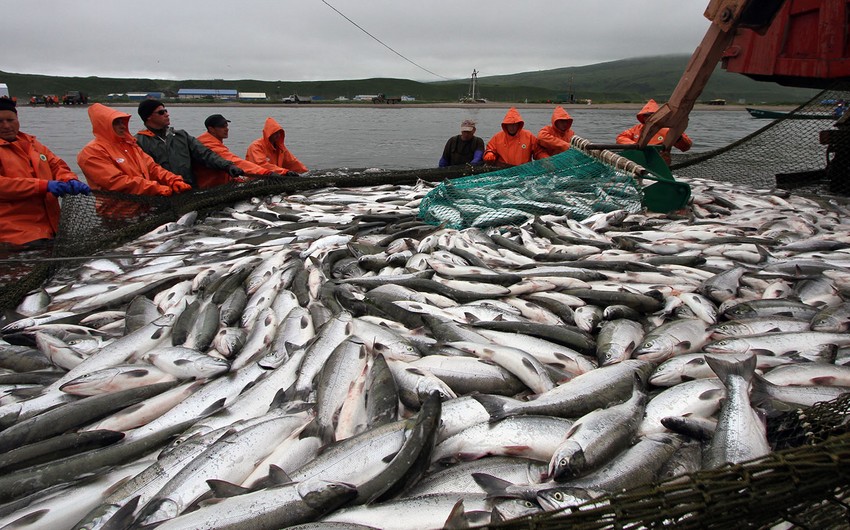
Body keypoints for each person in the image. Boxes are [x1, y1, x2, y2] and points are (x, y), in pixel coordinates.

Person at [0, 97, 90, 246]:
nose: (6, 125)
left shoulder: (32, 144)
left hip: (50, 229)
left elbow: (57, 165)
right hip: (13, 236)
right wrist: (43, 186)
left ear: (17, 119)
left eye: (10, 120)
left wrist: (69, 179)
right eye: (0, 121)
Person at [78, 103, 190, 196]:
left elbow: (153, 168)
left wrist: (174, 180)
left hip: (144, 207)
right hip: (116, 213)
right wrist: (157, 188)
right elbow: (115, 182)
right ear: (103, 125)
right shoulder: (92, 152)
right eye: (116, 123)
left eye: (122, 122)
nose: (122, 126)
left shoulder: (130, 145)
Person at [134, 99, 244, 188]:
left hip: (188, 189)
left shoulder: (181, 136)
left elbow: (205, 154)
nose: (167, 114)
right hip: (161, 192)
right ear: (148, 117)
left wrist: (228, 166)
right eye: (161, 112)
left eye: (166, 111)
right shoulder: (138, 142)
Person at [195, 114, 278, 189]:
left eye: (226, 126)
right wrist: (266, 172)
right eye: (222, 127)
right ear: (211, 129)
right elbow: (233, 161)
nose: (226, 129)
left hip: (220, 183)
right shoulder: (208, 144)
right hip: (210, 187)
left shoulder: (212, 141)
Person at [616, 99, 692, 165]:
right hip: (637, 162)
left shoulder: (668, 130)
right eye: (646, 115)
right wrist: (634, 145)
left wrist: (678, 138)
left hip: (659, 163)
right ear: (643, 117)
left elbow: (686, 146)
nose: (649, 117)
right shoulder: (636, 129)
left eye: (652, 115)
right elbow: (621, 137)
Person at [482, 107, 547, 166]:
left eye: (514, 125)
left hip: (524, 170)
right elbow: (490, 148)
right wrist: (489, 154)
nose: (512, 127)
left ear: (518, 124)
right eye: (509, 125)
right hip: (504, 170)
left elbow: (538, 152)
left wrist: (545, 159)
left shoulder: (529, 136)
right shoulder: (497, 137)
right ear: (505, 125)